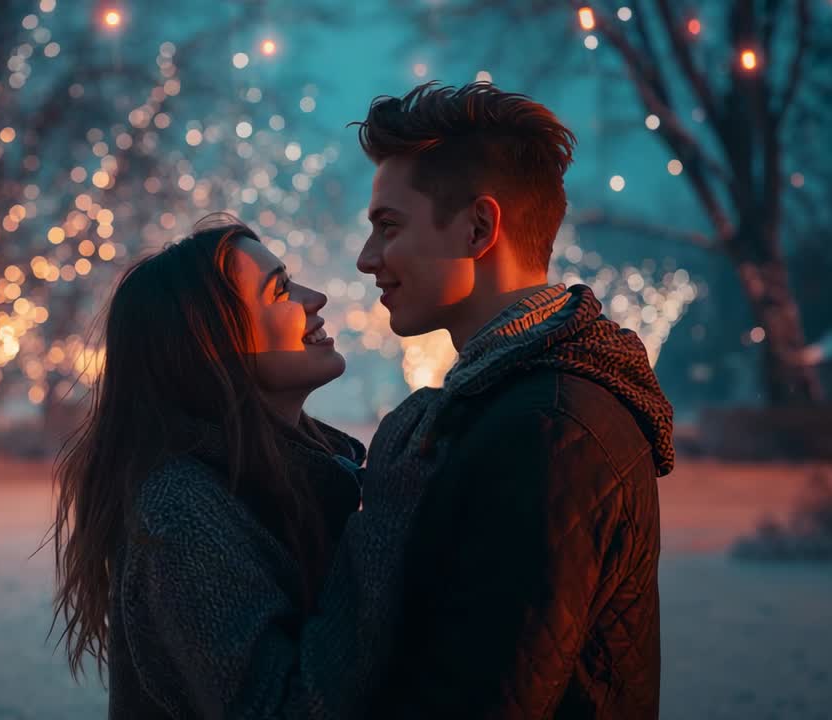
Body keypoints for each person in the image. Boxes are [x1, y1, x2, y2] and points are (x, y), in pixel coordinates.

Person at [353, 82, 675, 718]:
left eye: (388, 227)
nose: (368, 260)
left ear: (479, 227)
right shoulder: (522, 406)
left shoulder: (548, 430)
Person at [51, 215, 424, 719]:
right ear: (210, 344)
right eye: (282, 290)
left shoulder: (297, 478)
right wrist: (385, 514)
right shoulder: (180, 514)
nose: (315, 298)